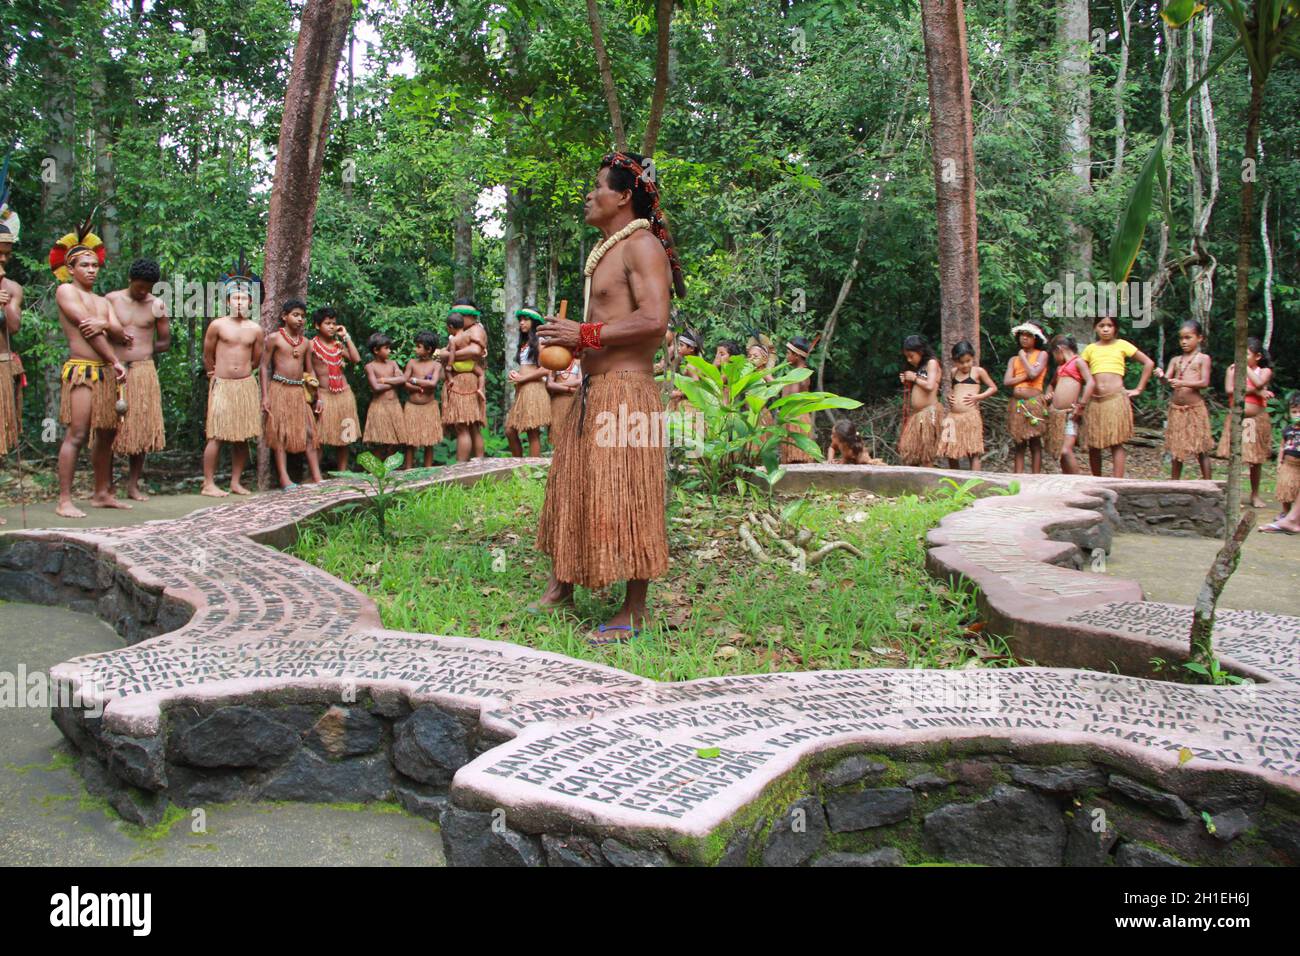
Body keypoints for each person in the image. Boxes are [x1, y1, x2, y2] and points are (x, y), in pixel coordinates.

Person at [533, 150, 683, 642]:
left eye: (598, 186)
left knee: (629, 494)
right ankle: (563, 584)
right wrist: (568, 340)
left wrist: (585, 334)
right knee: (574, 484)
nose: (589, 196)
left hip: (626, 393)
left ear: (623, 195)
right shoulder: (609, 251)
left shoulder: (642, 246)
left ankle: (635, 610)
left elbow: (653, 321)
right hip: (592, 391)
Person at [49, 219, 129, 518]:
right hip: (83, 370)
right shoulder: (66, 292)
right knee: (78, 433)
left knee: (107, 433)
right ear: (71, 269)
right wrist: (115, 359)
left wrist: (106, 322)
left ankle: (100, 493)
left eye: (95, 265)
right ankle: (64, 500)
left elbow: (120, 331)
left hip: (106, 372)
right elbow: (87, 329)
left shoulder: (102, 300)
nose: (92, 270)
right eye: (85, 265)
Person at [107, 258, 170, 501]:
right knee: (109, 428)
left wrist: (147, 347)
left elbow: (165, 340)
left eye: (148, 287)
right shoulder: (112, 300)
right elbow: (100, 334)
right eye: (139, 286)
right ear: (130, 280)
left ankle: (133, 485)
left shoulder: (157, 305)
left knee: (141, 430)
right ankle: (107, 486)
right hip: (115, 368)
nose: (144, 291)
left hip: (144, 371)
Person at [201, 259, 264, 497]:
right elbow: (207, 355)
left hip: (245, 386)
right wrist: (213, 375)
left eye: (245, 298)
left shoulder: (256, 329)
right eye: (235, 298)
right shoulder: (217, 325)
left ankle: (235, 482)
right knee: (216, 434)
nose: (240, 302)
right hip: (222, 384)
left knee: (242, 437)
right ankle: (208, 483)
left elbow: (256, 359)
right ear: (227, 301)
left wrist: (243, 374)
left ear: (251, 302)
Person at [1081, 314, 1156, 478]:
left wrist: (1139, 389)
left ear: (1116, 328)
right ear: (1095, 328)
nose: (1106, 329)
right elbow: (1079, 371)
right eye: (1101, 325)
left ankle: (1117, 481)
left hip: (1115, 399)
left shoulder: (1122, 345)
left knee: (1116, 442)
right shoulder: (1090, 349)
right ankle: (1096, 481)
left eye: (1109, 325)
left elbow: (1148, 363)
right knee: (1094, 444)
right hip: (1095, 402)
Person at [260, 298, 323, 489]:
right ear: (284, 316)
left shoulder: (305, 343)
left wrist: (317, 396)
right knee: (280, 434)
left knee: (311, 433)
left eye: (303, 316)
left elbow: (310, 371)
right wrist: (265, 396)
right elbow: (264, 367)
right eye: (295, 315)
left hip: (298, 391)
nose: (300, 319)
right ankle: (284, 478)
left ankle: (317, 476)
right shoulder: (274, 339)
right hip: (279, 389)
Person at [1217, 337, 1274, 508]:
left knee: (1254, 459)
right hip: (1238, 420)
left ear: (1257, 356)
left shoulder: (1264, 371)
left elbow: (1259, 382)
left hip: (1255, 421)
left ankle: (1255, 494)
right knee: (1237, 458)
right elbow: (1229, 390)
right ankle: (1236, 495)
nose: (1240, 357)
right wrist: (1257, 392)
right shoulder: (1232, 370)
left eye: (1245, 354)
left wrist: (1246, 369)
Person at [310, 306, 362, 472]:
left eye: (334, 323)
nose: (331, 327)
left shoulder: (338, 345)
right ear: (317, 325)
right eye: (327, 323)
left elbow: (356, 359)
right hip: (324, 394)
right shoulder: (311, 346)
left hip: (344, 394)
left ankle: (342, 472)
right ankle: (315, 475)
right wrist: (316, 396)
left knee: (345, 435)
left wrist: (346, 336)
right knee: (319, 436)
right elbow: (309, 373)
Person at [1162, 319, 1214, 481]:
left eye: (1188, 337)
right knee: (1177, 449)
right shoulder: (1175, 360)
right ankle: (1174, 484)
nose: (1184, 342)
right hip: (1177, 409)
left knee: (1201, 449)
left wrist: (1182, 382)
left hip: (1195, 409)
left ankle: (1208, 484)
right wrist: (1161, 376)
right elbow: (1167, 380)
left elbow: (1204, 382)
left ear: (1199, 338)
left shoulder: (1203, 358)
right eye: (1181, 338)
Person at [938, 339, 997, 470]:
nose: (965, 365)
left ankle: (974, 483)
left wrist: (978, 397)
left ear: (972, 358)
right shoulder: (953, 372)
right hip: (953, 417)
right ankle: (956, 480)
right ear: (954, 361)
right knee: (950, 451)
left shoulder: (978, 371)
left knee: (973, 451)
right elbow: (954, 390)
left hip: (970, 416)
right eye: (961, 362)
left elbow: (993, 388)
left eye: (968, 361)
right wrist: (950, 397)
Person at [441, 300, 487, 461]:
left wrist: (446, 356)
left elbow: (475, 351)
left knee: (464, 425)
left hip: (466, 379)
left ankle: (461, 466)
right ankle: (477, 461)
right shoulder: (463, 333)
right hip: (466, 377)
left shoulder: (476, 330)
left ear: (469, 316)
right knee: (471, 425)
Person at [1044, 333, 1094, 474]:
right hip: (1057, 416)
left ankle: (1078, 482)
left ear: (1059, 349)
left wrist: (1081, 405)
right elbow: (1051, 385)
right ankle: (1067, 480)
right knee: (1061, 451)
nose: (1055, 359)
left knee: (1066, 450)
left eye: (1054, 354)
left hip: (1071, 414)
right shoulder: (1060, 368)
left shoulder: (1078, 362)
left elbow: (1090, 382)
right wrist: (1049, 393)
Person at [1003, 323, 1049, 474]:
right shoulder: (1012, 360)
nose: (1024, 337)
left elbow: (1034, 375)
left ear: (1036, 338)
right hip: (1017, 404)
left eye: (1028, 335)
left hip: (1033, 403)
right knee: (1019, 442)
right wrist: (1024, 376)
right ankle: (1018, 477)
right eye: (1022, 334)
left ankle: (1035, 476)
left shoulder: (1042, 355)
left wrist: (1023, 357)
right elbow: (1007, 382)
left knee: (1035, 441)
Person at [0, 207, 24, 499]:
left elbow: (14, 326)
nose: (3, 259)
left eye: (6, 254)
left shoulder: (12, 288)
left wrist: (4, 303)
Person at [505, 307, 551, 457]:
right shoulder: (525, 343)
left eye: (526, 320)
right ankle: (518, 466)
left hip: (534, 389)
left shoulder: (541, 342)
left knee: (532, 432)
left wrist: (522, 378)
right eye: (520, 320)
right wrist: (516, 374)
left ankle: (532, 471)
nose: (522, 323)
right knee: (510, 430)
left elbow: (546, 369)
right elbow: (527, 367)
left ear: (535, 321)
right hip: (523, 390)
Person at [898, 334, 942, 467]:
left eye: (911, 355)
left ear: (920, 351)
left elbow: (930, 385)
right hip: (917, 415)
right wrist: (907, 381)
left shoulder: (932, 363)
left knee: (926, 454)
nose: (909, 359)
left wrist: (914, 378)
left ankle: (929, 484)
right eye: (907, 357)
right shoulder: (919, 368)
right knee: (910, 451)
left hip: (928, 413)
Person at [403, 330, 444, 468]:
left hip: (429, 407)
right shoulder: (412, 363)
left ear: (429, 349)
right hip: (412, 407)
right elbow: (404, 382)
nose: (416, 349)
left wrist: (414, 380)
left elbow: (432, 383)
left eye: (419, 346)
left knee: (429, 442)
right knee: (410, 441)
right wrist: (418, 388)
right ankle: (408, 470)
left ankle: (427, 470)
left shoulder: (436, 365)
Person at [363, 332, 407, 460]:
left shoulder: (392, 363)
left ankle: (389, 467)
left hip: (394, 406)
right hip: (379, 407)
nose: (390, 350)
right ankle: (376, 469)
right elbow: (375, 388)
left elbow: (403, 379)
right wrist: (393, 382)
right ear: (376, 350)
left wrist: (384, 380)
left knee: (395, 441)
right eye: (386, 348)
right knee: (380, 442)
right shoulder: (370, 367)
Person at [1263, 391, 1300, 531]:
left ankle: (1294, 517)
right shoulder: (1288, 430)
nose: (1297, 415)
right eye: (1294, 412)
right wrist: (1279, 462)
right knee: (1286, 489)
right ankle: (1286, 513)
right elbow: (1282, 447)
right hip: (1289, 464)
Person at [780, 335, 817, 464]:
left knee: (798, 459)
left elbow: (792, 395)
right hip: (791, 418)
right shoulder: (796, 373)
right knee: (790, 461)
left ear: (796, 356)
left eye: (788, 353)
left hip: (797, 418)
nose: (786, 356)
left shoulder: (802, 374)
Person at [546, 353, 581, 441]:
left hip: (574, 401)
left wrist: (558, 385)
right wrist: (569, 389)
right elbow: (549, 384)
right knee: (557, 431)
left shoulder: (578, 362)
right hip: (557, 402)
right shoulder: (554, 362)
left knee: (573, 431)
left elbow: (580, 381)